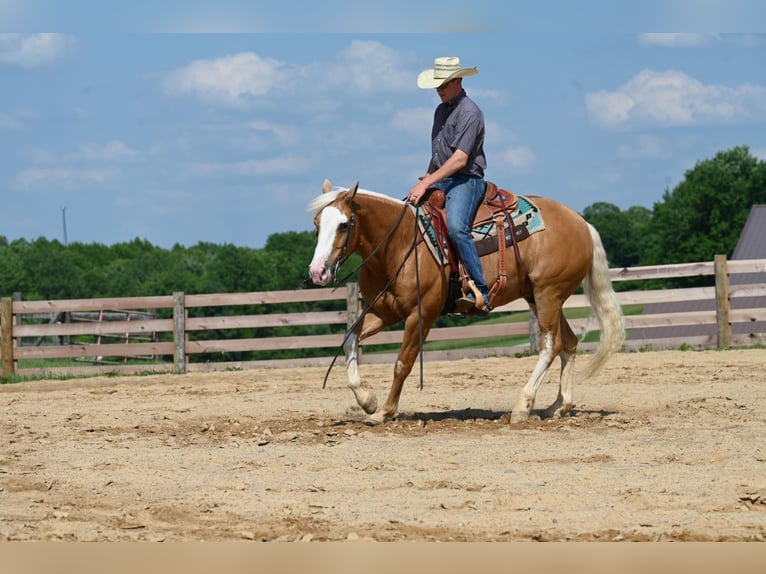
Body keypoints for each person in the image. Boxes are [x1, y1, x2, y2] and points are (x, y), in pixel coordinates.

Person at [407, 56, 490, 315]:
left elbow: (460, 159)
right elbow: (438, 155)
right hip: (443, 178)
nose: (439, 90)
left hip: (467, 180)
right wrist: (426, 178)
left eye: (443, 85)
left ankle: (480, 292)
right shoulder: (441, 111)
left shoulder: (470, 112)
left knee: (455, 228)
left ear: (458, 81)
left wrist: (429, 182)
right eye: (437, 85)